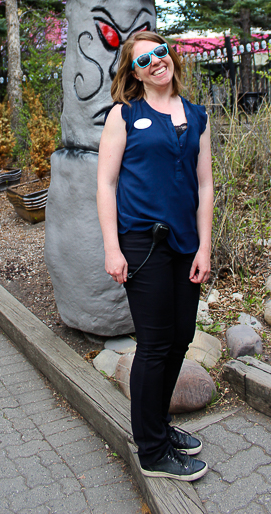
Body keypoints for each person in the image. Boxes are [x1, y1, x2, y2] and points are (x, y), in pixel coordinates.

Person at [96, 31, 213, 482]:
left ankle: (158, 427)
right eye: (144, 59)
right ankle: (151, 449)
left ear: (171, 57)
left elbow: (204, 185)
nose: (156, 62)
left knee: (181, 336)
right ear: (134, 72)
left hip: (186, 242)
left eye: (160, 52)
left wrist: (204, 245)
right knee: (155, 343)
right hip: (143, 244)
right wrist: (112, 247)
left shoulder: (197, 116)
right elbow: (106, 184)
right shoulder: (124, 115)